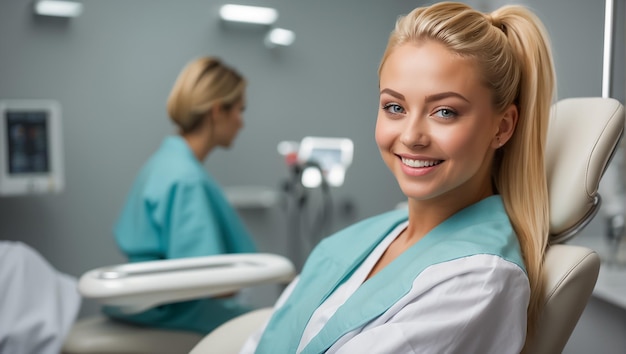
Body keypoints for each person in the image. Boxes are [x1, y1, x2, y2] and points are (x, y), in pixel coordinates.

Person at [241, 2, 554, 353]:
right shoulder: (365, 238)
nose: (411, 135)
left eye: (445, 112)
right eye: (395, 107)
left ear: (503, 127)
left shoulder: (479, 280)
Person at [104, 56, 257, 334]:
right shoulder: (186, 178)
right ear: (217, 110)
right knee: (270, 325)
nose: (242, 122)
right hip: (169, 311)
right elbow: (211, 284)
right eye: (239, 110)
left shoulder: (164, 162)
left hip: (143, 303)